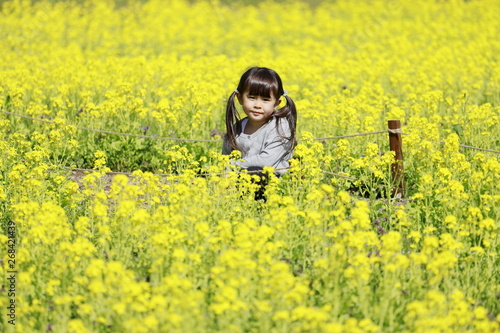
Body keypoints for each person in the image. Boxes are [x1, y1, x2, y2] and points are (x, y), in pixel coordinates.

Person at [222, 66, 297, 200]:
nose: (258, 105)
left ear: (277, 103)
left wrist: (234, 167)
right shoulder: (235, 129)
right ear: (239, 98)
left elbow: (265, 161)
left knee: (255, 172)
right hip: (241, 182)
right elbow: (225, 159)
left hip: (274, 185)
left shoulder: (280, 127)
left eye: (265, 100)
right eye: (251, 97)